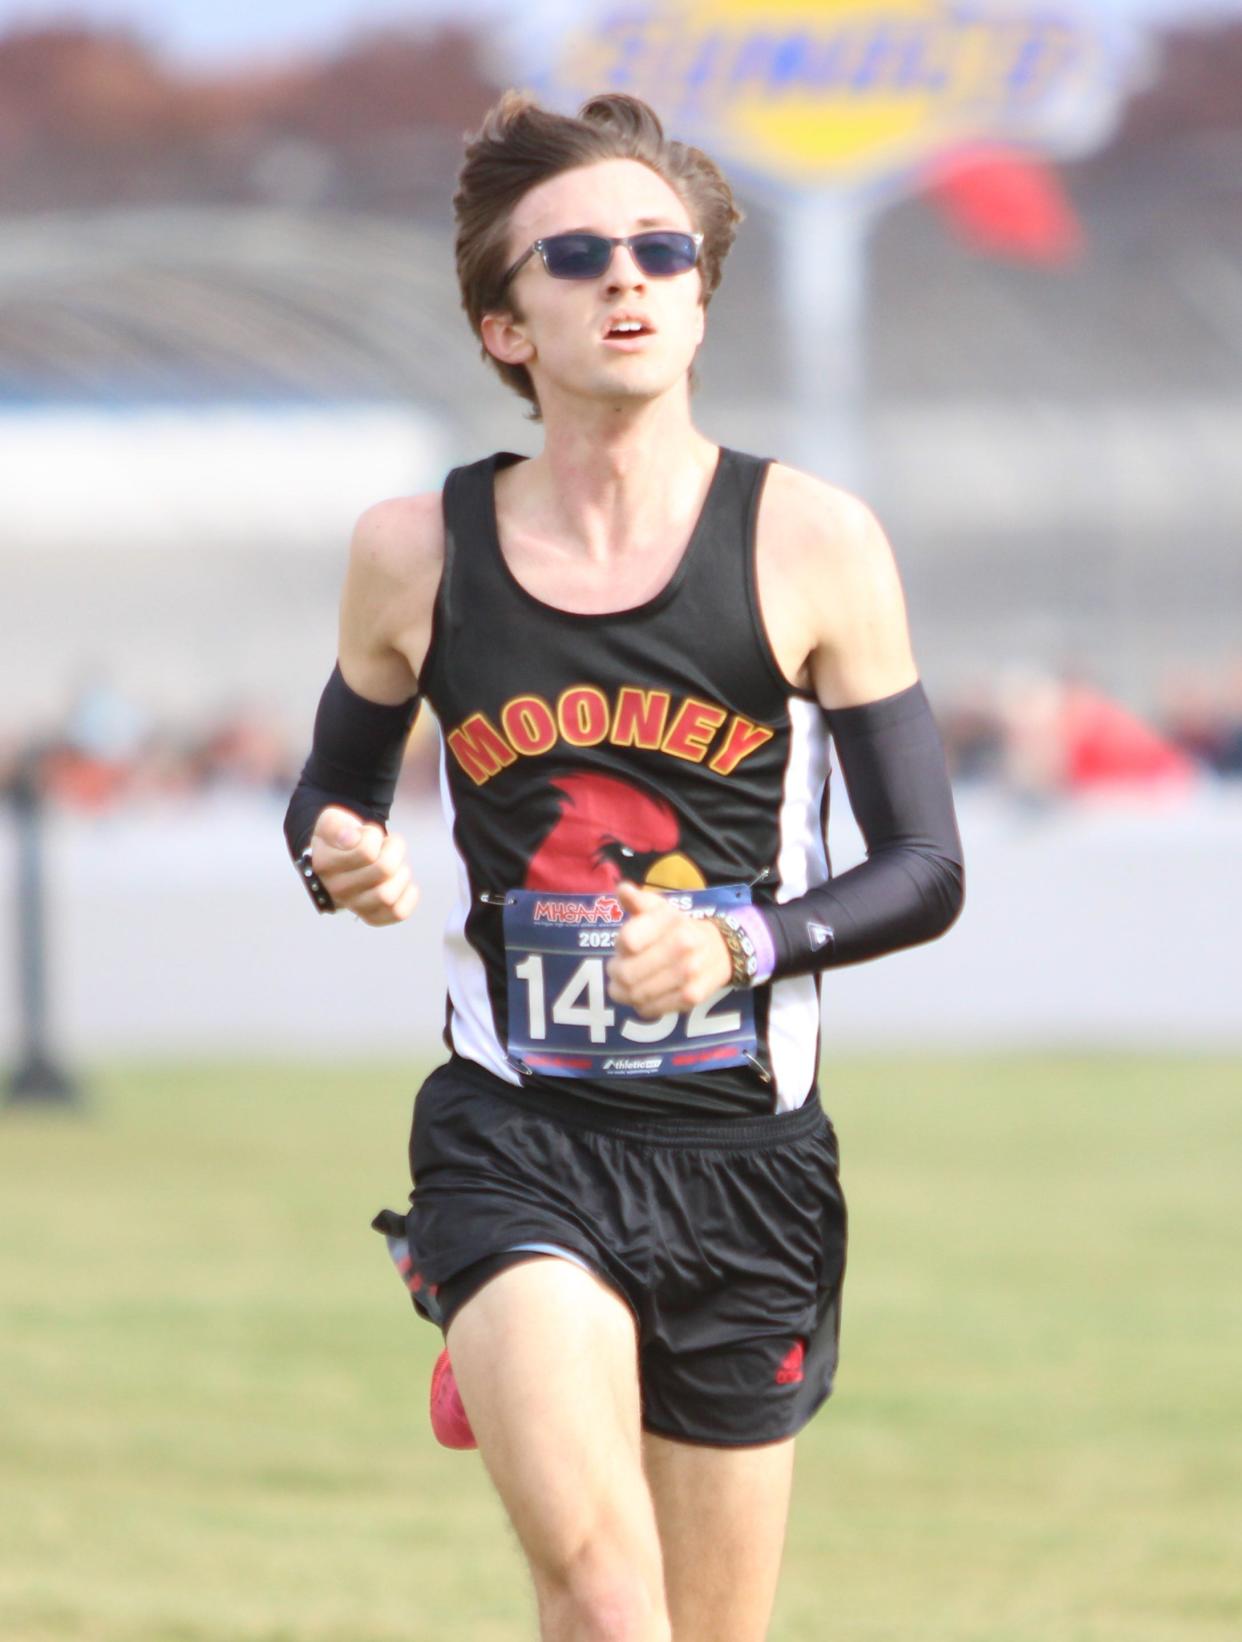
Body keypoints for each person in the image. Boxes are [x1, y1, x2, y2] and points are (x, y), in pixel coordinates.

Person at [284, 91, 964, 1642]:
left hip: (744, 1162)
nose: (626, 279)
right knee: (601, 1601)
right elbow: (327, 808)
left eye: (659, 249)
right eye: (576, 255)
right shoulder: (417, 550)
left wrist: (741, 945)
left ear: (701, 293)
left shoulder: (812, 542)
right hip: (516, 1133)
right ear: (502, 326)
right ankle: (499, 1310)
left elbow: (926, 865)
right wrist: (348, 861)